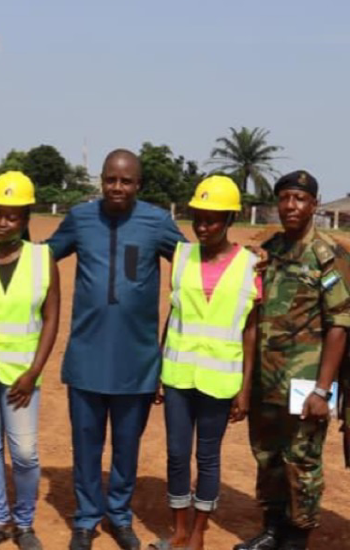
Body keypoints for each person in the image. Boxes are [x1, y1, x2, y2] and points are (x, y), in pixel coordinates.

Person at [45, 149, 185, 550]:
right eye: (110, 179)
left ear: (138, 185)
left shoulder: (157, 223)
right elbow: (42, 255)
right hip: (87, 356)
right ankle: (87, 518)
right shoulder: (81, 219)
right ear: (101, 180)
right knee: (86, 445)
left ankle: (120, 516)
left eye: (126, 181)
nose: (117, 187)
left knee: (127, 446)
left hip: (136, 361)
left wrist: (244, 261)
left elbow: (196, 263)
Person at [235, 170, 350, 550]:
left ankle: (296, 538)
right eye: (284, 198)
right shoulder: (271, 250)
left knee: (301, 461)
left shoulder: (327, 256)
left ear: (315, 206)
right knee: (267, 457)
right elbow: (254, 314)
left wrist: (322, 388)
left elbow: (339, 325)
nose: (291, 206)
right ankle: (272, 529)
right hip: (267, 380)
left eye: (299, 199)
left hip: (306, 385)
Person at [153, 176, 260, 550]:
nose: (203, 226)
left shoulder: (250, 265)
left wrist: (245, 389)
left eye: (212, 219)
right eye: (198, 218)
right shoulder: (181, 256)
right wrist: (159, 371)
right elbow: (174, 315)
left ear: (230, 219)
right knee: (178, 454)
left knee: (208, 457)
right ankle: (179, 529)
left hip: (221, 379)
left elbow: (250, 330)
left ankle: (199, 531)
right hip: (179, 374)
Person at [0, 172, 60, 550]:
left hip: (24, 371)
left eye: (13, 215)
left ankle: (24, 523)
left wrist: (35, 371)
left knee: (23, 451)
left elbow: (52, 317)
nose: (4, 222)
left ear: (25, 219)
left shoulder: (43, 258)